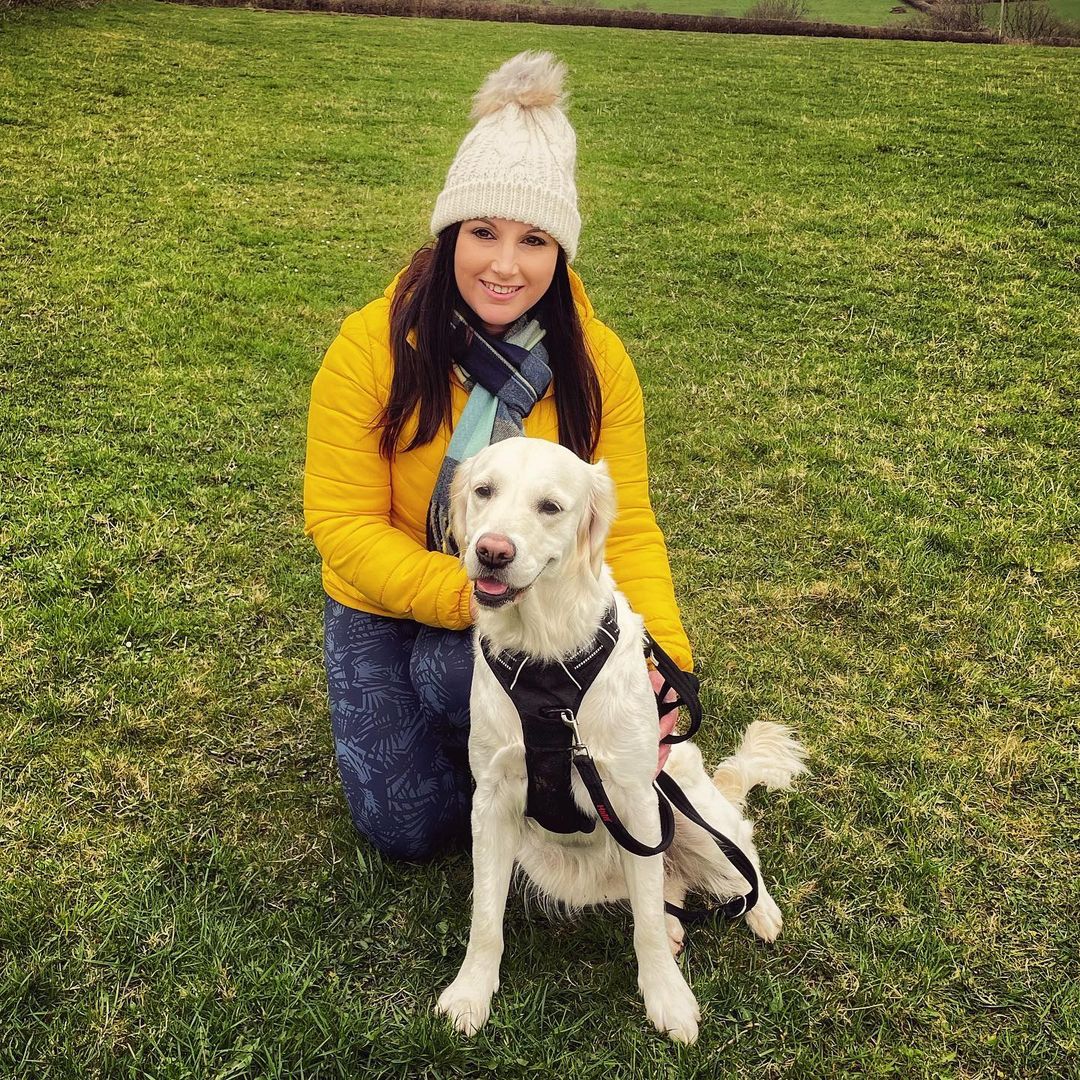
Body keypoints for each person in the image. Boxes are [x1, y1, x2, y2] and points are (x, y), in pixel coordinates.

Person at [304, 51, 694, 863]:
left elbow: (627, 525)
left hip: (528, 589)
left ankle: (502, 744)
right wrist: (462, 592)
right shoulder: (371, 346)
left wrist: (662, 658)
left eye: (533, 239)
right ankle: (484, 759)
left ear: (562, 253)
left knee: (452, 678)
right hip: (387, 593)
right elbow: (342, 522)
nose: (504, 265)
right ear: (450, 234)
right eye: (482, 232)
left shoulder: (599, 364)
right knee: (408, 830)